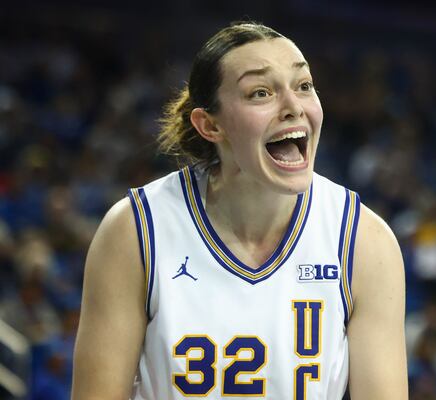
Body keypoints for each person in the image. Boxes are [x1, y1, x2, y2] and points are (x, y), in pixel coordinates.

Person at [71, 21, 408, 399]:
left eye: (304, 86)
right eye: (261, 92)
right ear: (210, 125)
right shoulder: (135, 230)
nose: (293, 107)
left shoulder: (364, 241)